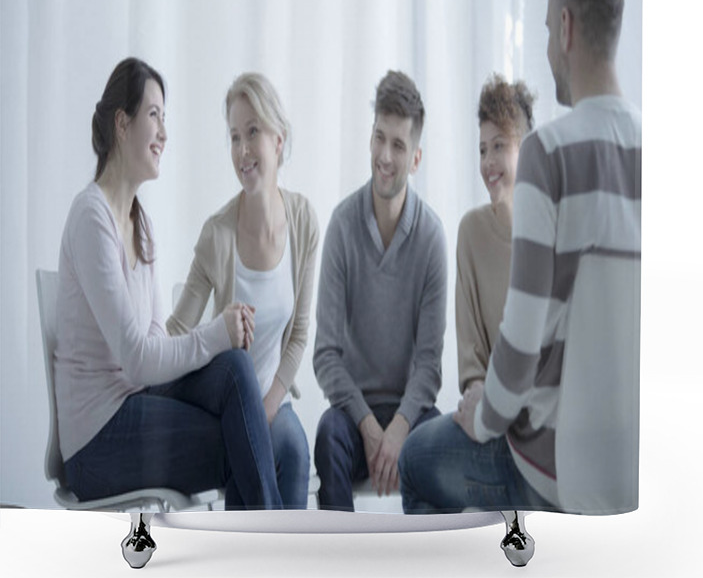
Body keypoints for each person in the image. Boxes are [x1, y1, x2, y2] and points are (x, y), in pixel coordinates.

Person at [400, 0, 642, 514]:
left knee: (414, 462)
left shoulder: (550, 154)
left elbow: (522, 341)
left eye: (543, 28)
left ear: (564, 27)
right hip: (633, 475)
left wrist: (481, 415)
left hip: (556, 470)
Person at [54, 58, 281, 509]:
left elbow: (156, 342)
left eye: (165, 118)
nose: (163, 133)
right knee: (240, 441)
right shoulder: (90, 217)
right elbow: (138, 360)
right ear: (122, 123)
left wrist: (220, 343)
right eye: (154, 115)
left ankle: (259, 557)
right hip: (97, 442)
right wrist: (215, 331)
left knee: (235, 368)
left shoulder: (141, 224)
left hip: (133, 403)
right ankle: (271, 558)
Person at [167, 72, 318, 509]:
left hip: (274, 398)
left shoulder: (304, 220)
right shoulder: (217, 234)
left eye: (254, 132)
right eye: (235, 137)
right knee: (244, 451)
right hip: (226, 405)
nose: (243, 150)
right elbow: (178, 330)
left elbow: (299, 335)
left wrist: (268, 406)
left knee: (291, 448)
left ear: (279, 140)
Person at [313, 70, 447, 511]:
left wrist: (399, 428)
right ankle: (340, 563)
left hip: (411, 413)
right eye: (379, 138)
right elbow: (326, 354)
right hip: (355, 417)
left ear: (416, 157)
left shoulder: (431, 237)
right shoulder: (342, 226)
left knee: (441, 445)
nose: (385, 156)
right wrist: (370, 427)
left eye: (398, 145)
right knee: (328, 436)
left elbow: (429, 365)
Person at [456, 74, 534, 396]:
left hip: (540, 416)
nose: (488, 162)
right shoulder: (471, 232)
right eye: (482, 149)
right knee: (419, 447)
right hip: (488, 410)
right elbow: (471, 361)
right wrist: (479, 401)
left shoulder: (554, 231)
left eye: (499, 146)